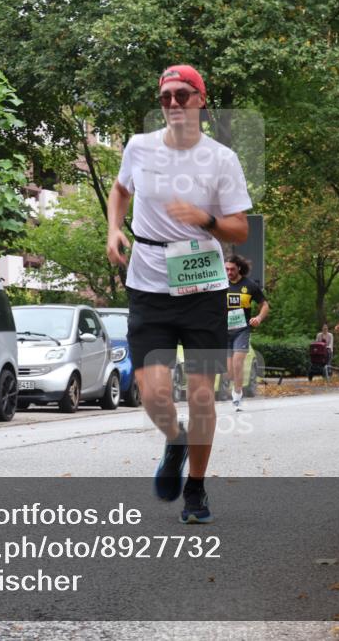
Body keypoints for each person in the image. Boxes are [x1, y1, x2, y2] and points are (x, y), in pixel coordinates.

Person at [106, 64, 251, 524]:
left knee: (203, 394)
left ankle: (196, 489)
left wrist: (205, 220)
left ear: (201, 100)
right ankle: (175, 439)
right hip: (148, 282)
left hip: (203, 285)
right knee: (152, 392)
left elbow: (240, 229)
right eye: (165, 95)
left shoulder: (222, 159)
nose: (172, 102)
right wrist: (113, 228)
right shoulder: (139, 147)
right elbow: (119, 188)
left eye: (182, 95)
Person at [225, 255, 268, 412]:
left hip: (242, 330)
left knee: (238, 363)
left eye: (232, 269)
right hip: (224, 331)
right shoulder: (220, 284)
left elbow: (264, 305)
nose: (229, 272)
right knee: (229, 371)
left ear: (239, 269)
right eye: (227, 269)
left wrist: (258, 318)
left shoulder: (249, 286)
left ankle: (237, 395)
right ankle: (235, 386)